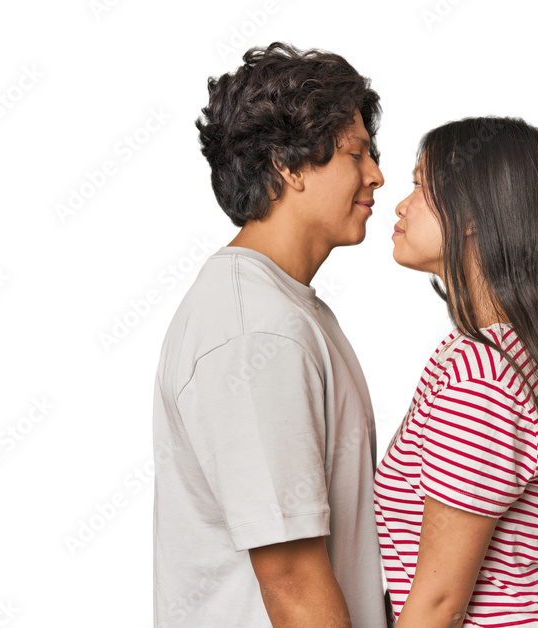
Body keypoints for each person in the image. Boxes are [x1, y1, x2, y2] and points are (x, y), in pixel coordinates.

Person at [152, 41, 388, 627]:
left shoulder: (283, 310)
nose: (376, 176)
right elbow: (293, 586)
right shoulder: (255, 330)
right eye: (356, 154)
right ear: (287, 164)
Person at [374, 117, 538, 627]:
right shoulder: (500, 353)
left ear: (473, 215)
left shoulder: (481, 377)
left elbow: (440, 604)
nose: (400, 205)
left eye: (420, 187)